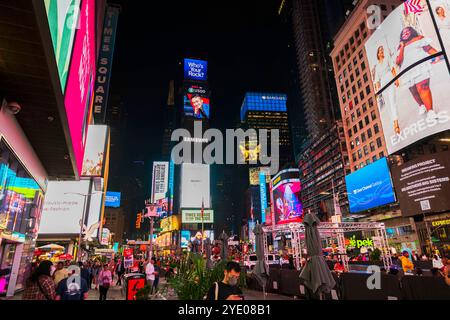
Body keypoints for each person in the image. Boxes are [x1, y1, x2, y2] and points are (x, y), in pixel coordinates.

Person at [395, 26, 443, 121]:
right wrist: (402, 47)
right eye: (403, 33)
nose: (405, 33)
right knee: (414, 92)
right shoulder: (400, 47)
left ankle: (430, 112)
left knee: (423, 88)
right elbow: (398, 62)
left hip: (420, 67)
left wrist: (437, 55)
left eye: (407, 31)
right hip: (407, 72)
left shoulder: (419, 38)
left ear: (412, 32)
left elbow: (428, 48)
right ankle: (422, 105)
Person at [372, 45, 400, 133]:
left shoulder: (387, 58)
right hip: (383, 85)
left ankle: (396, 124)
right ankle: (393, 121)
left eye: (382, 50)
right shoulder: (376, 66)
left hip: (390, 80)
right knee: (388, 104)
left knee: (392, 102)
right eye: (380, 50)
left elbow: (392, 69)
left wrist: (396, 79)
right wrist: (377, 92)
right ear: (377, 53)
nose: (382, 51)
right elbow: (376, 80)